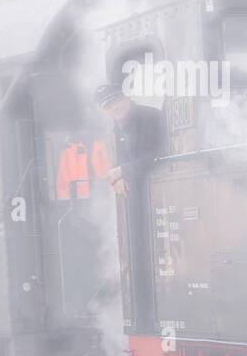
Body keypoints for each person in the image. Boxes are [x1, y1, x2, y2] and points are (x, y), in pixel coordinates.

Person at [95, 83, 168, 334]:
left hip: (158, 197)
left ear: (127, 97)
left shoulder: (149, 117)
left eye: (116, 100)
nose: (114, 106)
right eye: (108, 105)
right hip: (138, 197)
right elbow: (123, 159)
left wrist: (123, 171)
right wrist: (119, 177)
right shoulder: (117, 127)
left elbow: (158, 155)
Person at [55, 133, 110, 200]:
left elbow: (106, 171)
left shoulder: (99, 146)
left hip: (97, 195)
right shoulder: (67, 150)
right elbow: (64, 176)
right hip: (76, 198)